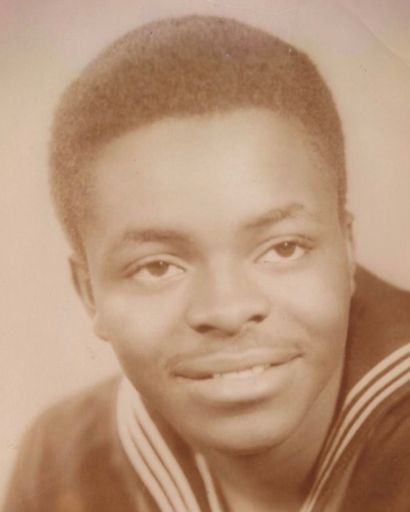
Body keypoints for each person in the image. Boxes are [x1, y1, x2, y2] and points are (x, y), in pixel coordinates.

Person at [4, 15, 410, 512]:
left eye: (283, 248)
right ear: (89, 293)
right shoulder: (60, 465)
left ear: (347, 249)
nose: (228, 310)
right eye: (158, 267)